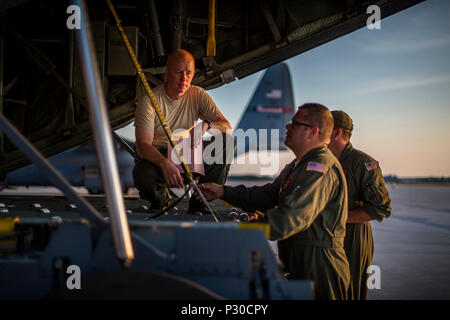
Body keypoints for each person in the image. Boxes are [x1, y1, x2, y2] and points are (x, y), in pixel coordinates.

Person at [197, 103, 350, 300]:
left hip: (320, 269)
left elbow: (289, 220)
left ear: (313, 131)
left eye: (294, 123)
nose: (287, 127)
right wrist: (222, 191)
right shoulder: (297, 165)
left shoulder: (319, 168)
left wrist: (244, 229)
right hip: (301, 261)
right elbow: (268, 195)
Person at [133, 49, 233, 212]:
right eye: (178, 72)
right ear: (167, 73)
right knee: (142, 173)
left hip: (188, 157)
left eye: (188, 73)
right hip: (159, 160)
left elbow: (227, 127)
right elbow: (143, 145)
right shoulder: (149, 101)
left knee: (226, 142)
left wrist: (206, 125)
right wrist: (164, 163)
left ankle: (200, 202)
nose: (184, 78)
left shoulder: (197, 94)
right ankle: (161, 202)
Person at [328, 110, 391, 300]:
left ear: (336, 132)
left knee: (350, 290)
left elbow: (381, 208)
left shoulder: (363, 163)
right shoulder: (324, 161)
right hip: (330, 237)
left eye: (323, 128)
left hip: (353, 238)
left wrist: (337, 217)